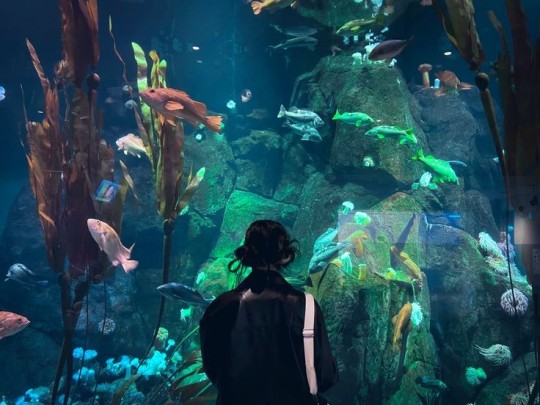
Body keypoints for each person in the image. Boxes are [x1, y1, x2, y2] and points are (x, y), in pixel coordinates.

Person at [199, 219, 339, 404]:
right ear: (286, 256)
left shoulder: (221, 306)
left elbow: (212, 367)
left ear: (246, 255)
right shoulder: (305, 306)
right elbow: (325, 376)